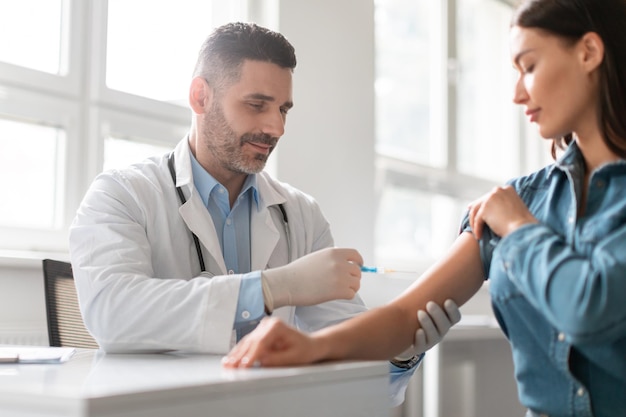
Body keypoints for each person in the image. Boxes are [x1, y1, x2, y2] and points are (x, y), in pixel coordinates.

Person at [223, 1, 626, 416]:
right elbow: (404, 316)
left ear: (589, 52)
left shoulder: (512, 211)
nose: (517, 92)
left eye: (529, 66)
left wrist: (520, 229)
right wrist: (312, 346)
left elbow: (589, 309)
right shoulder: (520, 198)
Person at [69, 22, 459, 406]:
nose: (275, 127)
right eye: (256, 105)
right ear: (200, 97)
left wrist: (397, 349)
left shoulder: (301, 215)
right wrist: (271, 288)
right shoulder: (122, 194)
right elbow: (112, 311)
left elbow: (341, 343)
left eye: (283, 109)